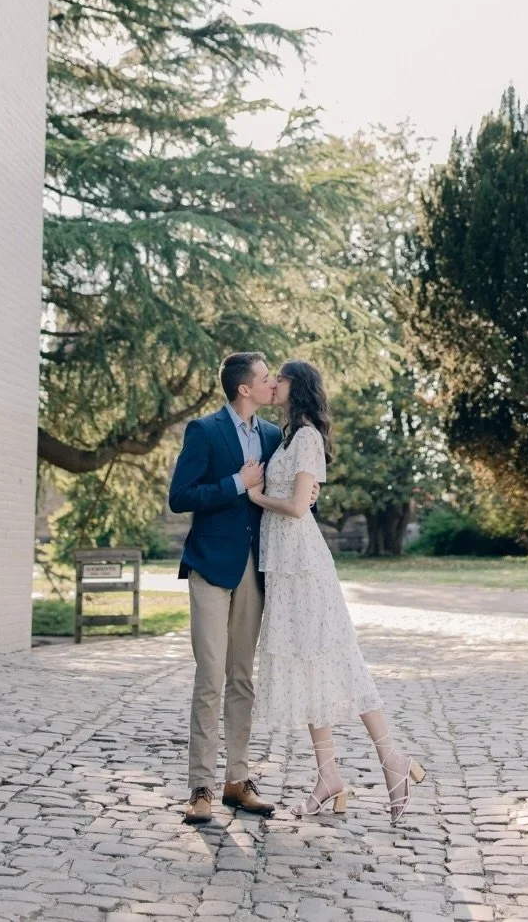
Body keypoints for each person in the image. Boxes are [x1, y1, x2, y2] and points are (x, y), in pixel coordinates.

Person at [247, 358, 426, 825]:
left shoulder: (306, 438)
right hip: (284, 568)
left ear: (297, 387)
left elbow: (295, 508)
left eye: (280, 378)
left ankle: (393, 761)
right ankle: (329, 776)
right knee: (307, 667)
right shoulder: (288, 436)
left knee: (339, 659)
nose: (274, 384)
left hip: (304, 567)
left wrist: (257, 496)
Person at [168, 351, 319, 825]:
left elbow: (288, 491)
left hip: (256, 571)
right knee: (210, 675)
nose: (273, 382)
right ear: (244, 390)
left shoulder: (276, 436)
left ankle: (237, 779)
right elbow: (180, 496)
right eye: (264, 377)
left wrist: (309, 495)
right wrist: (236, 482)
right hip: (211, 567)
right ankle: (200, 787)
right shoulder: (205, 431)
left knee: (242, 678)